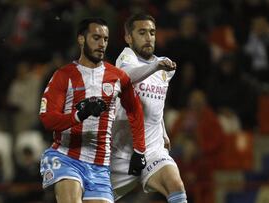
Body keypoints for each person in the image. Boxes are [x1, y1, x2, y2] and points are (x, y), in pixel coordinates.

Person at [39, 18, 147, 203]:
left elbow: (135, 110)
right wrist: (79, 115)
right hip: (66, 157)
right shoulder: (63, 75)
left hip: (100, 165)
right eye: (96, 37)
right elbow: (48, 119)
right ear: (81, 39)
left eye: (105, 39)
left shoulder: (118, 77)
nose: (101, 44)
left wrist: (139, 150)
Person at [110, 13, 187, 203]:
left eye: (152, 32)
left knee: (176, 185)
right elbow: (127, 77)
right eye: (142, 32)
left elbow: (154, 104)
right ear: (129, 38)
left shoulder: (163, 68)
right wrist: (155, 66)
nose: (148, 37)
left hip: (152, 150)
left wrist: (164, 132)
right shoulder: (126, 58)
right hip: (120, 153)